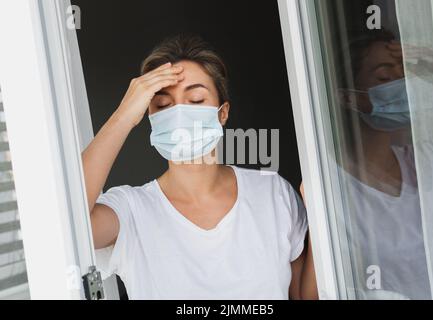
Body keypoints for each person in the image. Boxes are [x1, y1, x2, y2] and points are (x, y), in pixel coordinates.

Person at [82, 34, 318, 300]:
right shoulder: (131, 210)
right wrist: (123, 115)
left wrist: (323, 222)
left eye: (195, 100)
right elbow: (68, 224)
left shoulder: (272, 191)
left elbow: (301, 296)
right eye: (163, 104)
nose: (179, 114)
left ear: (222, 113)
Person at [332, 29, 433, 299]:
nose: (402, 85)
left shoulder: (431, 163)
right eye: (385, 77)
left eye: (405, 75)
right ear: (349, 97)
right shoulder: (333, 191)